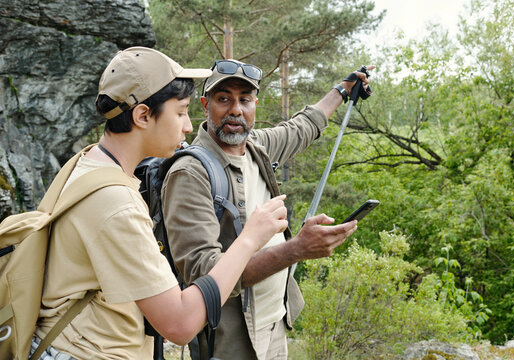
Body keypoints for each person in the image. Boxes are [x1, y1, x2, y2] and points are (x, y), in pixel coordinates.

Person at [30, 47, 288, 360]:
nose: (188, 126)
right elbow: (180, 324)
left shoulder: (84, 164)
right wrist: (250, 239)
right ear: (142, 116)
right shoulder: (117, 204)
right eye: (180, 112)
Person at [161, 58, 374, 359]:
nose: (236, 109)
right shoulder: (190, 173)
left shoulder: (256, 147)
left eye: (244, 100)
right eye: (224, 99)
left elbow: (304, 126)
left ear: (255, 105)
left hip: (276, 324)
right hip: (232, 340)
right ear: (205, 105)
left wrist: (342, 89)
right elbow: (204, 275)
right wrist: (296, 249)